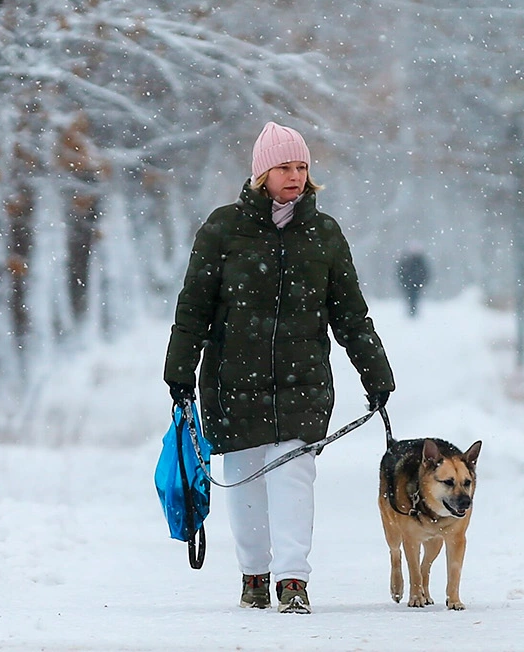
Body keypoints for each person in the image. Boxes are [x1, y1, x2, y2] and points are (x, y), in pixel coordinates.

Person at [164, 121, 395, 614]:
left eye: (302, 166)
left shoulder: (324, 233)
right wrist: (179, 374)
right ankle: (254, 574)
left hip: (303, 378)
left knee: (293, 475)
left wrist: (376, 374)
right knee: (246, 476)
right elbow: (194, 309)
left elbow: (351, 315)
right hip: (233, 379)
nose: (294, 175)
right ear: (261, 173)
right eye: (284, 166)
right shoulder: (223, 229)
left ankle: (293, 580)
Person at [396, 245, 430, 318]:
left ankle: (413, 311)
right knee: (412, 298)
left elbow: (425, 272)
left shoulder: (416, 262)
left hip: (414, 284)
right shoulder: (409, 262)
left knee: (413, 298)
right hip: (411, 284)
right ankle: (412, 311)